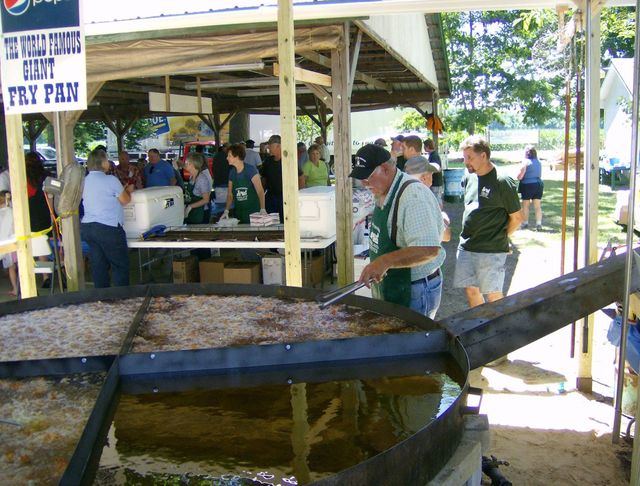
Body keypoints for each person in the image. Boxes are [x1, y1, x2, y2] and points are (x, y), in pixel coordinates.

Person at [351, 144, 445, 319]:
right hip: (394, 284)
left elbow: (429, 249)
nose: (364, 183)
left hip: (416, 289)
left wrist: (384, 261)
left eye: (368, 177)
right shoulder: (382, 190)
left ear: (386, 169)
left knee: (414, 345)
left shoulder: (413, 196)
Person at [454, 135, 522, 308]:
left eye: (470, 157)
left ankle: (499, 330)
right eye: (464, 157)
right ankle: (479, 327)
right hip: (466, 246)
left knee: (493, 295)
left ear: (483, 156)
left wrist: (501, 236)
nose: (465, 162)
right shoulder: (469, 176)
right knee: (471, 291)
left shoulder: (502, 180)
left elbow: (516, 217)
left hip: (490, 250)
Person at [81, 149, 133, 288]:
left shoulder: (84, 181)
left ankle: (102, 298)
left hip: (88, 227)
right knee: (119, 265)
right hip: (108, 227)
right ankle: (122, 300)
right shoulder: (111, 179)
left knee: (98, 265)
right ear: (103, 163)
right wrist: (128, 191)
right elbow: (125, 200)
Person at [404, 155, 451, 242]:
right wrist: (442, 220)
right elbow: (445, 235)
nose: (432, 178)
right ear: (424, 178)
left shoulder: (403, 194)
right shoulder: (421, 200)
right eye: (431, 174)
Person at [25, 151, 53, 288]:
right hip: (44, 212)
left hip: (29, 214)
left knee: (32, 244)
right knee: (43, 242)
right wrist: (52, 212)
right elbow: (51, 196)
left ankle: (27, 276)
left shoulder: (24, 178)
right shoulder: (46, 176)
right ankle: (46, 276)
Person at [260, 135, 304, 223]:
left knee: (286, 222)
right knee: (270, 222)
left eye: (271, 146)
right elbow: (263, 178)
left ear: (279, 146)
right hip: (270, 197)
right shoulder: (267, 161)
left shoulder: (289, 160)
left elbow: (301, 177)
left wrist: (298, 193)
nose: (269, 149)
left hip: (285, 197)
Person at [221, 144, 266, 224]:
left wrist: (262, 208)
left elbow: (260, 191)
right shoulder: (232, 172)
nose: (227, 158)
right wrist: (226, 210)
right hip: (239, 213)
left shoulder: (251, 170)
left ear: (237, 156)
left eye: (229, 156)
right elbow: (230, 194)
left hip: (254, 213)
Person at [517, 145, 544, 231]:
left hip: (527, 185)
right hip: (538, 184)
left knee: (525, 205)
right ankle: (539, 224)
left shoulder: (525, 162)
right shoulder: (539, 162)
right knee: (537, 206)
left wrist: (518, 176)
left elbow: (520, 177)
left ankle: (525, 223)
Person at [183, 152, 213, 224]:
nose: (185, 164)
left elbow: (206, 200)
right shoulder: (192, 176)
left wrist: (190, 206)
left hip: (201, 214)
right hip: (192, 213)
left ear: (193, 164)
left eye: (187, 163)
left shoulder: (201, 179)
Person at [0, 191, 18, 296]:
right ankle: (19, 287)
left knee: (11, 268)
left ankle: (15, 288)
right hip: (14, 241)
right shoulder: (12, 212)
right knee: (17, 266)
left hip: (5, 243)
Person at [424, 138, 444, 208]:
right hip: (434, 181)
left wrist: (429, 173)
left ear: (428, 147)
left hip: (436, 182)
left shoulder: (434, 155)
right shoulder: (432, 155)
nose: (424, 148)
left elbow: (437, 168)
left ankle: (440, 214)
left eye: (424, 146)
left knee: (437, 199)